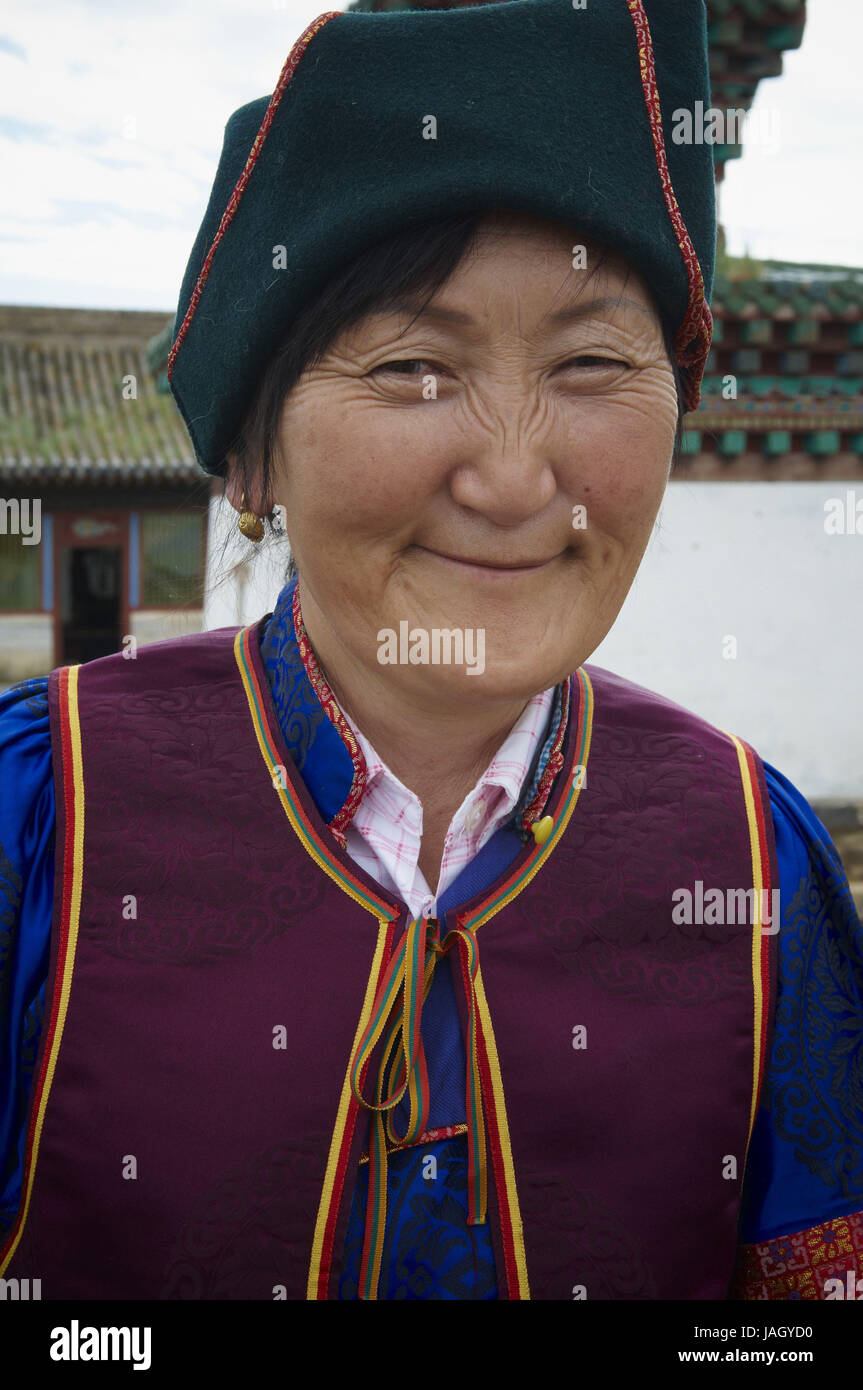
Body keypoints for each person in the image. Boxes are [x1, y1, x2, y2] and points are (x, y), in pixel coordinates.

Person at [1, 0, 861, 1301]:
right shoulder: (40, 815)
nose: (517, 480)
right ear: (249, 455)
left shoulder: (753, 865)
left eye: (590, 363)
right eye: (411, 366)